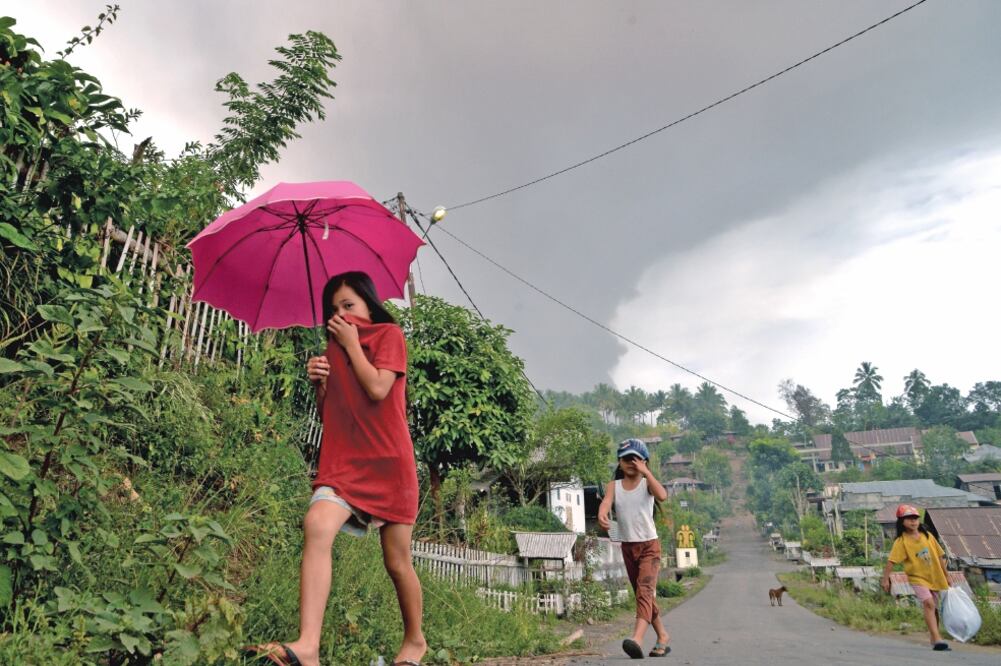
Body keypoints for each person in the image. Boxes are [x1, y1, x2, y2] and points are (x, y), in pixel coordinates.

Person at [254, 272, 425, 666]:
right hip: (345, 464)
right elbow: (333, 418)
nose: (342, 314)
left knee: (397, 563)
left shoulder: (388, 336)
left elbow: (379, 389)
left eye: (349, 305)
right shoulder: (333, 348)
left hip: (389, 465)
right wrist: (320, 386)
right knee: (316, 523)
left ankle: (415, 642)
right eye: (334, 310)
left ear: (368, 305)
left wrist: (352, 347)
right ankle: (307, 646)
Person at [598, 439, 670, 659]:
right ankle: (663, 637)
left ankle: (636, 639)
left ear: (644, 461)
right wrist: (602, 512)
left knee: (645, 592)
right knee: (643, 594)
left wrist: (646, 472)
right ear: (619, 462)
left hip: (649, 546)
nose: (631, 463)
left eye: (635, 459)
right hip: (628, 547)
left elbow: (663, 495)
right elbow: (607, 501)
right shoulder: (614, 486)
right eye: (626, 458)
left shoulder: (647, 483)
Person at [880, 503, 951, 652]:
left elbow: (939, 556)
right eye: (909, 519)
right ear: (902, 522)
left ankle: (934, 636)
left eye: (915, 518)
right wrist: (885, 579)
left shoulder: (928, 536)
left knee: (934, 608)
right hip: (917, 578)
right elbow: (891, 561)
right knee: (929, 604)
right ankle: (937, 639)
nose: (913, 521)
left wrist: (947, 575)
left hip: (934, 576)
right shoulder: (901, 541)